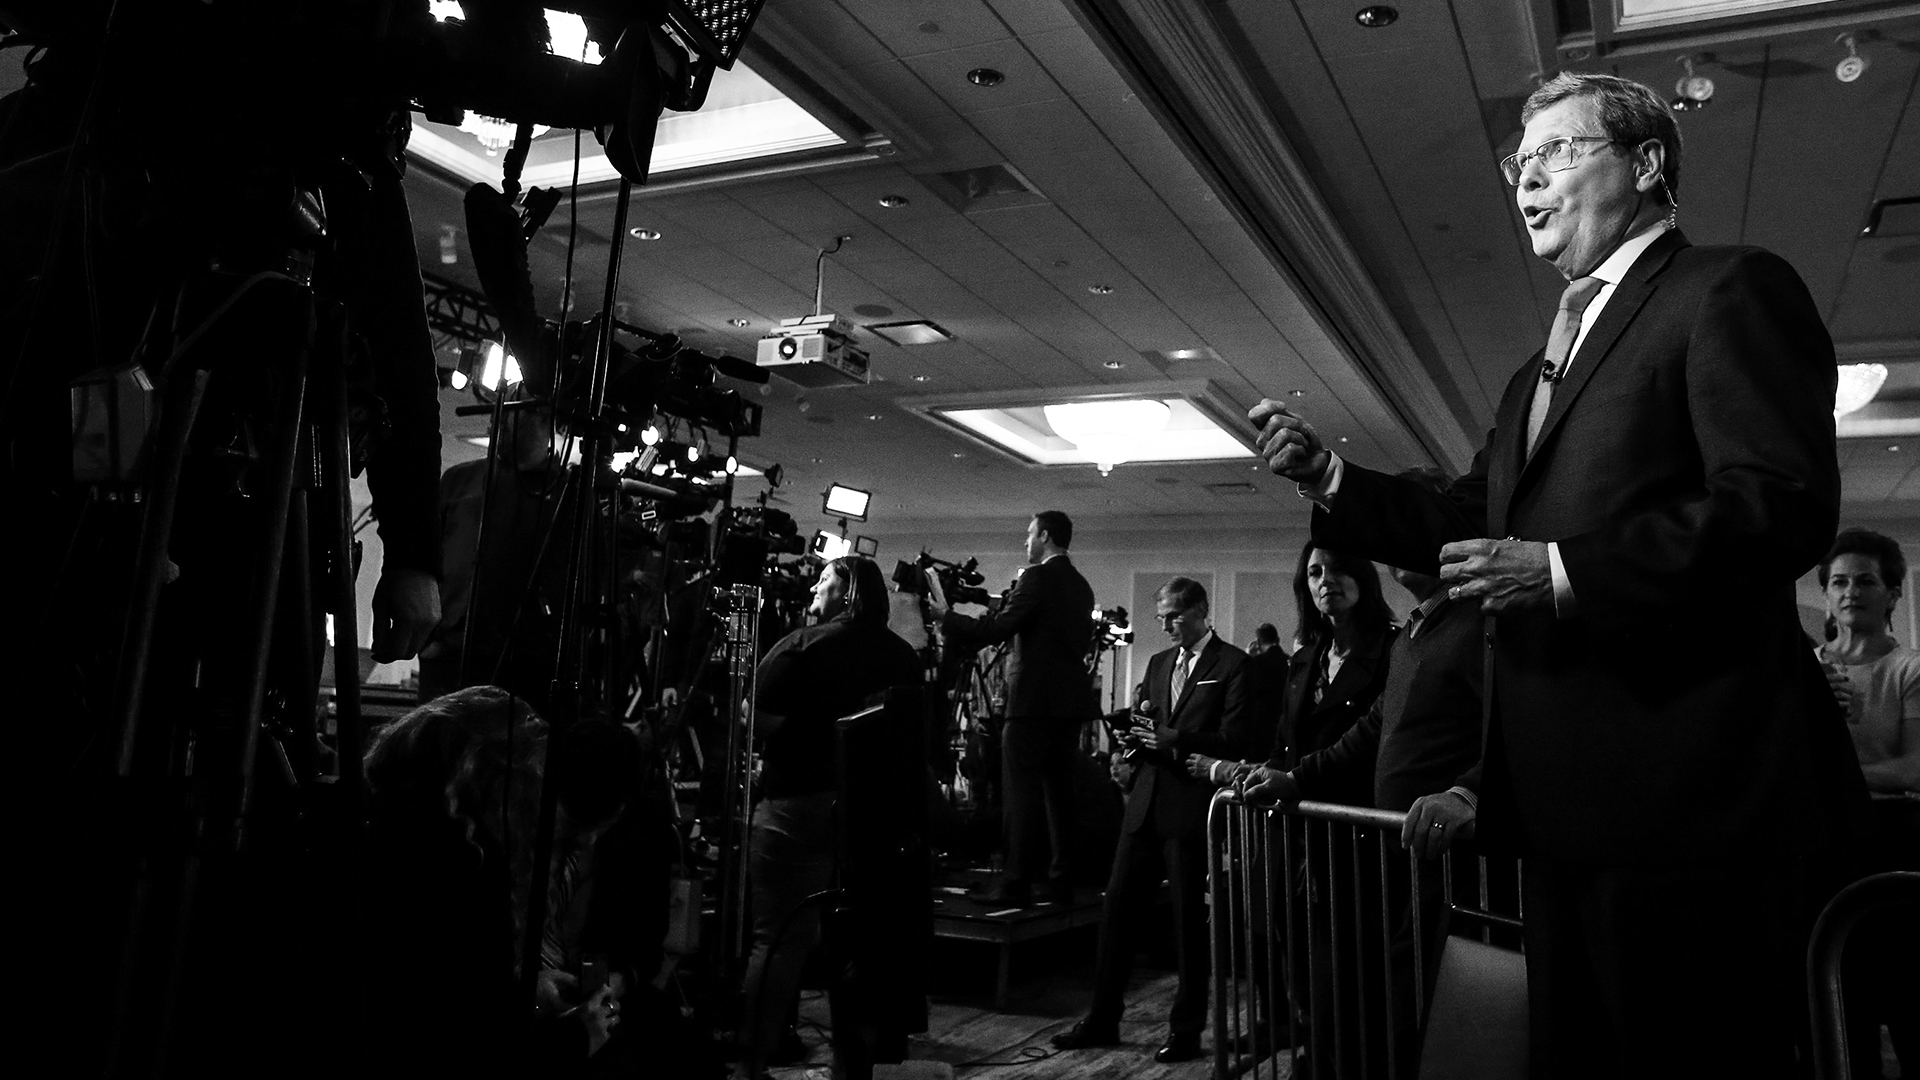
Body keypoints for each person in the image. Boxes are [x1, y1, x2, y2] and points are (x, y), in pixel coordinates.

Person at [1250, 72, 1865, 1079]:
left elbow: (1780, 505)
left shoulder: (1728, 287)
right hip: (1556, 811)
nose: (1527, 180)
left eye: (1556, 153)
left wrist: (1568, 573)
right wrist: (1328, 476)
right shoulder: (1534, 372)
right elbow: (1459, 520)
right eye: (1519, 165)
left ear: (1648, 162)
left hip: (1686, 808)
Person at [1050, 577, 1256, 1063]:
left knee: (1187, 927)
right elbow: (1149, 727)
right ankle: (1103, 1018)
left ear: (1201, 611)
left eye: (1175, 617)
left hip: (1190, 810)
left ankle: (1185, 1031)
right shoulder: (1159, 663)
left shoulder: (1234, 665)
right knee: (1116, 913)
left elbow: (1237, 739)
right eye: (1162, 617)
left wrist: (1176, 739)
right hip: (1144, 805)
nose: (1165, 626)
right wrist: (1133, 744)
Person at [736, 556, 922, 1080]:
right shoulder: (902, 655)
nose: (814, 587)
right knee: (863, 947)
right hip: (870, 819)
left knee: (776, 942)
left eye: (825, 580)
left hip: (796, 809)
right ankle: (851, 1069)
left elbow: (761, 718)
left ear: (847, 594)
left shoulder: (801, 644)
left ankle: (749, 1069)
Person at [930, 510, 1096, 907]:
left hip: (1032, 704)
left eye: (1030, 534)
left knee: (1019, 795)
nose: (1026, 541)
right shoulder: (1082, 586)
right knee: (1060, 796)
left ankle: (1016, 881)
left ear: (1046, 535)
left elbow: (998, 629)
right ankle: (1061, 881)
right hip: (1069, 705)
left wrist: (946, 618)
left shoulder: (1036, 577)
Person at [1815, 528, 1919, 1078]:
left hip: (1893, 840)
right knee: (1834, 1000)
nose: (1851, 590)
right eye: (1839, 581)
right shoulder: (1803, 671)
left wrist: (1834, 777)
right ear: (1826, 595)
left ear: (1893, 595)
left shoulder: (1911, 669)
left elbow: (1915, 769)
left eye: (1865, 580)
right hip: (1819, 848)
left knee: (1909, 996)